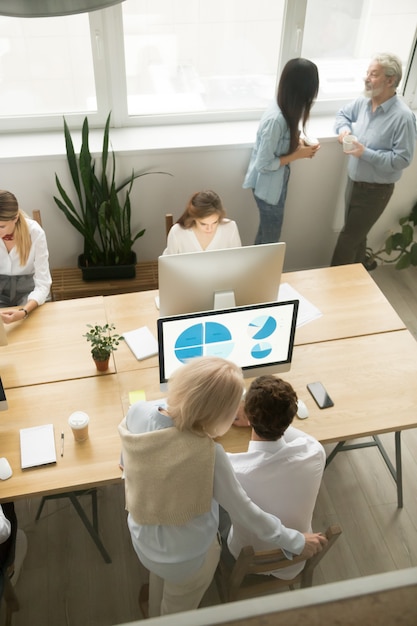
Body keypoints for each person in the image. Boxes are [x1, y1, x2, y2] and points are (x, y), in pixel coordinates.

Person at [118, 357, 327, 617]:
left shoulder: (137, 411)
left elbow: (125, 463)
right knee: (177, 613)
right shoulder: (209, 455)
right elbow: (248, 514)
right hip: (186, 560)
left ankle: (152, 613)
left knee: (160, 583)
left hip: (144, 538)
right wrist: (296, 541)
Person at [223, 375, 326, 580]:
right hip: (296, 561)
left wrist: (254, 418)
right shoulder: (315, 452)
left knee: (215, 511)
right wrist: (261, 418)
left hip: (247, 559)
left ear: (249, 415)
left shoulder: (233, 469)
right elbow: (291, 431)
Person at [331, 53, 417, 268]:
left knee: (348, 239)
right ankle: (362, 272)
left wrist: (364, 153)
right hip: (353, 183)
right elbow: (342, 115)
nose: (366, 78)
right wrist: (344, 131)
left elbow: (402, 160)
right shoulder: (364, 101)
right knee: (358, 236)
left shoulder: (403, 117)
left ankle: (331, 289)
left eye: (373, 74)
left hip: (375, 191)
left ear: (390, 80)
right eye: (368, 73)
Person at [243, 58, 320, 245]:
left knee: (266, 238)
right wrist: (297, 155)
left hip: (275, 185)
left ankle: (258, 272)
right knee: (270, 242)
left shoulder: (286, 108)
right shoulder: (276, 120)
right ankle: (261, 273)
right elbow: (263, 164)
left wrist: (298, 143)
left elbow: (278, 144)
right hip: (268, 188)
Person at [0, 190, 52, 323]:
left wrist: (24, 311)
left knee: (32, 328)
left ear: (15, 218)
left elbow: (43, 283)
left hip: (29, 291)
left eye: (1, 226)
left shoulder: (35, 233)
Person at [163, 190, 241, 254]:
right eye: (203, 224)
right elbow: (168, 266)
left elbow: (238, 260)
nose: (210, 229)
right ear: (194, 218)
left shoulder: (230, 228)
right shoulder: (177, 232)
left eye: (215, 222)